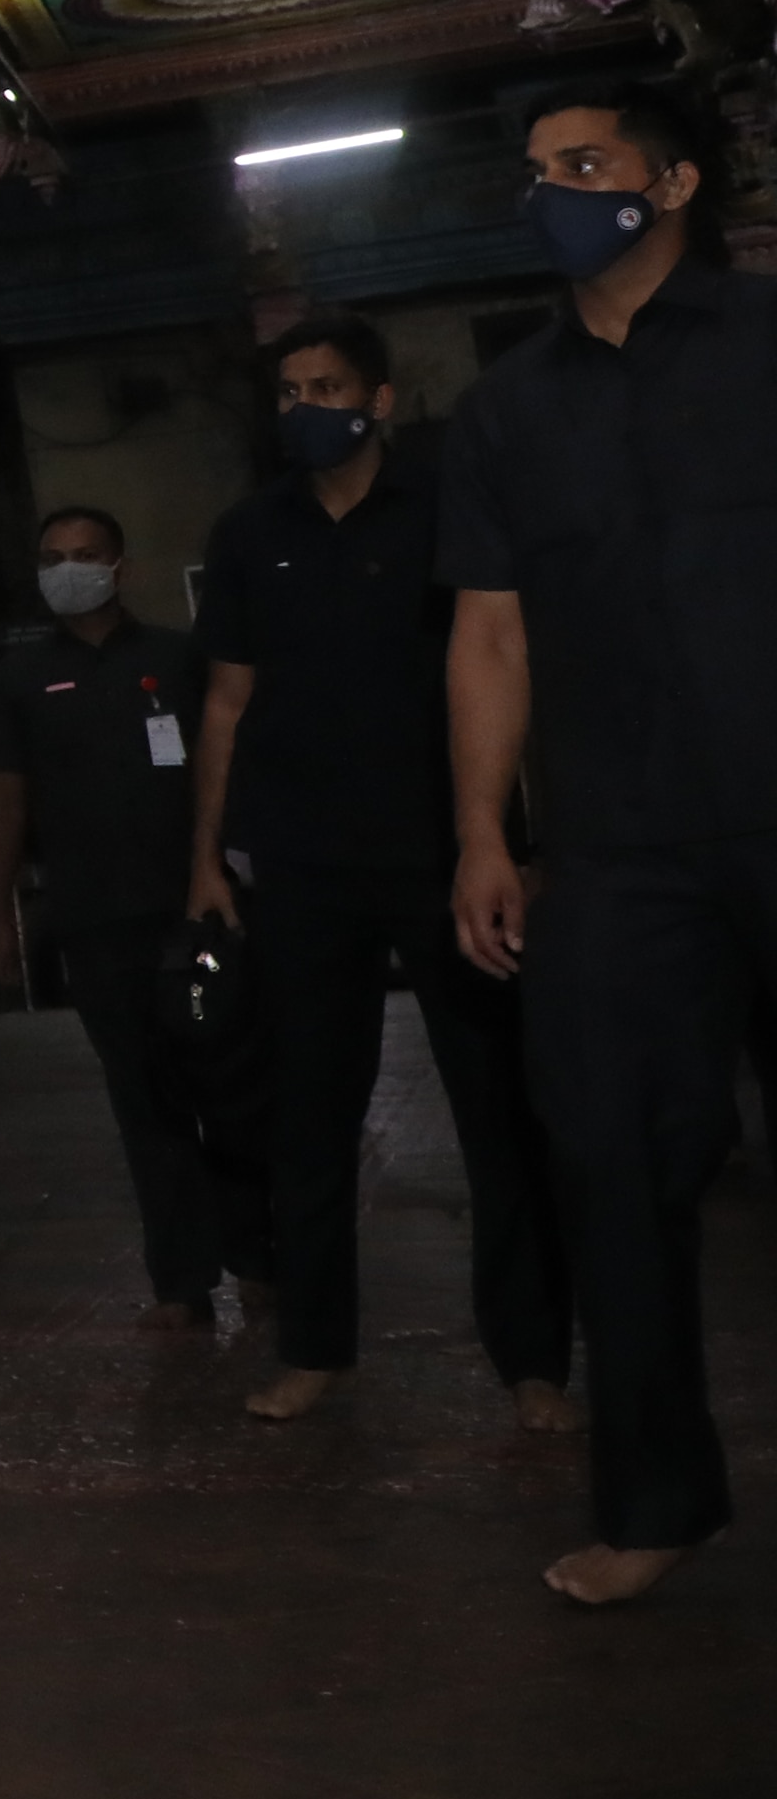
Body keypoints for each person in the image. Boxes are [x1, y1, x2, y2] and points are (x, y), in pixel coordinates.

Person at [439, 78, 777, 1603]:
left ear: (678, 181)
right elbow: (490, 636)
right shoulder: (509, 402)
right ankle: (656, 1502)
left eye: (587, 164)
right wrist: (481, 834)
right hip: (620, 846)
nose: (556, 191)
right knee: (612, 1164)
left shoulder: (767, 342)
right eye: (538, 172)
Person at [192, 308, 574, 1434]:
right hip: (303, 863)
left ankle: (533, 1361)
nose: (304, 408)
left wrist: (511, 841)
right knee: (308, 1114)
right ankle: (313, 1349)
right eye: (288, 392)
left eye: (323, 387)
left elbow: (510, 671)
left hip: (443, 856)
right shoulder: (246, 529)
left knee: (496, 1113)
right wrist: (202, 859)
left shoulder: (448, 512)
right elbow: (222, 702)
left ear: (378, 400)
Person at [0, 506, 268, 1330]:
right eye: (52, 557)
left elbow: (231, 762)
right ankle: (182, 1280)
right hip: (97, 924)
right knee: (145, 1100)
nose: (68, 568)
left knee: (232, 1085)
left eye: (84, 555)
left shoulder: (179, 659)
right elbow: (4, 800)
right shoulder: (22, 678)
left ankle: (260, 1259)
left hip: (198, 917)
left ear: (121, 566)